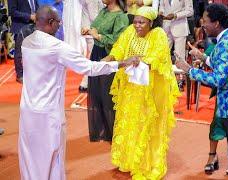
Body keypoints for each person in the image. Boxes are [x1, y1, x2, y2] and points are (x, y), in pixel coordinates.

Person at [18, 6, 138, 179]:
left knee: (29, 158)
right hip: (48, 114)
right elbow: (89, 67)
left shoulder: (26, 41)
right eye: (58, 22)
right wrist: (121, 63)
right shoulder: (57, 47)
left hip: (27, 111)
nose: (60, 26)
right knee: (51, 160)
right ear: (51, 22)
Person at [176, 3, 228, 180]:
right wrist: (204, 57)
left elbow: (218, 79)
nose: (202, 24)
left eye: (205, 21)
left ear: (217, 23)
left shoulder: (226, 42)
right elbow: (227, 65)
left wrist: (190, 70)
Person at [108, 6, 180, 179]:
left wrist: (137, 61)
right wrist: (110, 59)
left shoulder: (158, 35)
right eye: (135, 22)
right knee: (131, 122)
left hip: (151, 91)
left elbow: (157, 56)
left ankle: (149, 164)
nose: (137, 26)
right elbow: (119, 47)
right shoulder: (129, 31)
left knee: (149, 126)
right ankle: (129, 161)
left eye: (142, 22)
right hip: (131, 89)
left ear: (151, 22)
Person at [82, 0, 129, 142]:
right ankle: (103, 130)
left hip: (109, 56)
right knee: (96, 93)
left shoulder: (121, 16)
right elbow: (95, 28)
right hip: (96, 53)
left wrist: (99, 36)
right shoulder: (104, 11)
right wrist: (89, 31)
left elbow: (119, 40)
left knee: (108, 96)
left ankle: (115, 133)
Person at [8, 0, 39, 83]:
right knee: (19, 53)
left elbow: (36, 7)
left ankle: (32, 72)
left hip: (34, 26)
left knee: (33, 51)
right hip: (20, 27)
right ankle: (20, 75)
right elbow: (12, 12)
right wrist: (29, 16)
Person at [78, 0, 104, 92]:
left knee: (93, 55)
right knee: (94, 56)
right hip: (93, 29)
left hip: (89, 27)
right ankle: (86, 82)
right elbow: (95, 17)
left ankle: (87, 82)